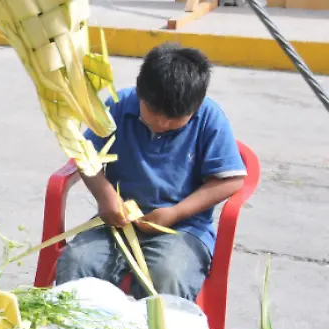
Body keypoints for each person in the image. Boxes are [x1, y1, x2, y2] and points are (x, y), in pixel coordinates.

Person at [55, 44, 247, 300]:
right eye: (155, 113)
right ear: (140, 92)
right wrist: (105, 196)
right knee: (77, 262)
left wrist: (176, 213)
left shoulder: (210, 117)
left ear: (196, 106)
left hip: (182, 228)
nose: (162, 123)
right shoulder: (118, 106)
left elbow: (230, 180)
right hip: (116, 222)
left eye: (176, 118)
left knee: (168, 275)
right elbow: (84, 156)